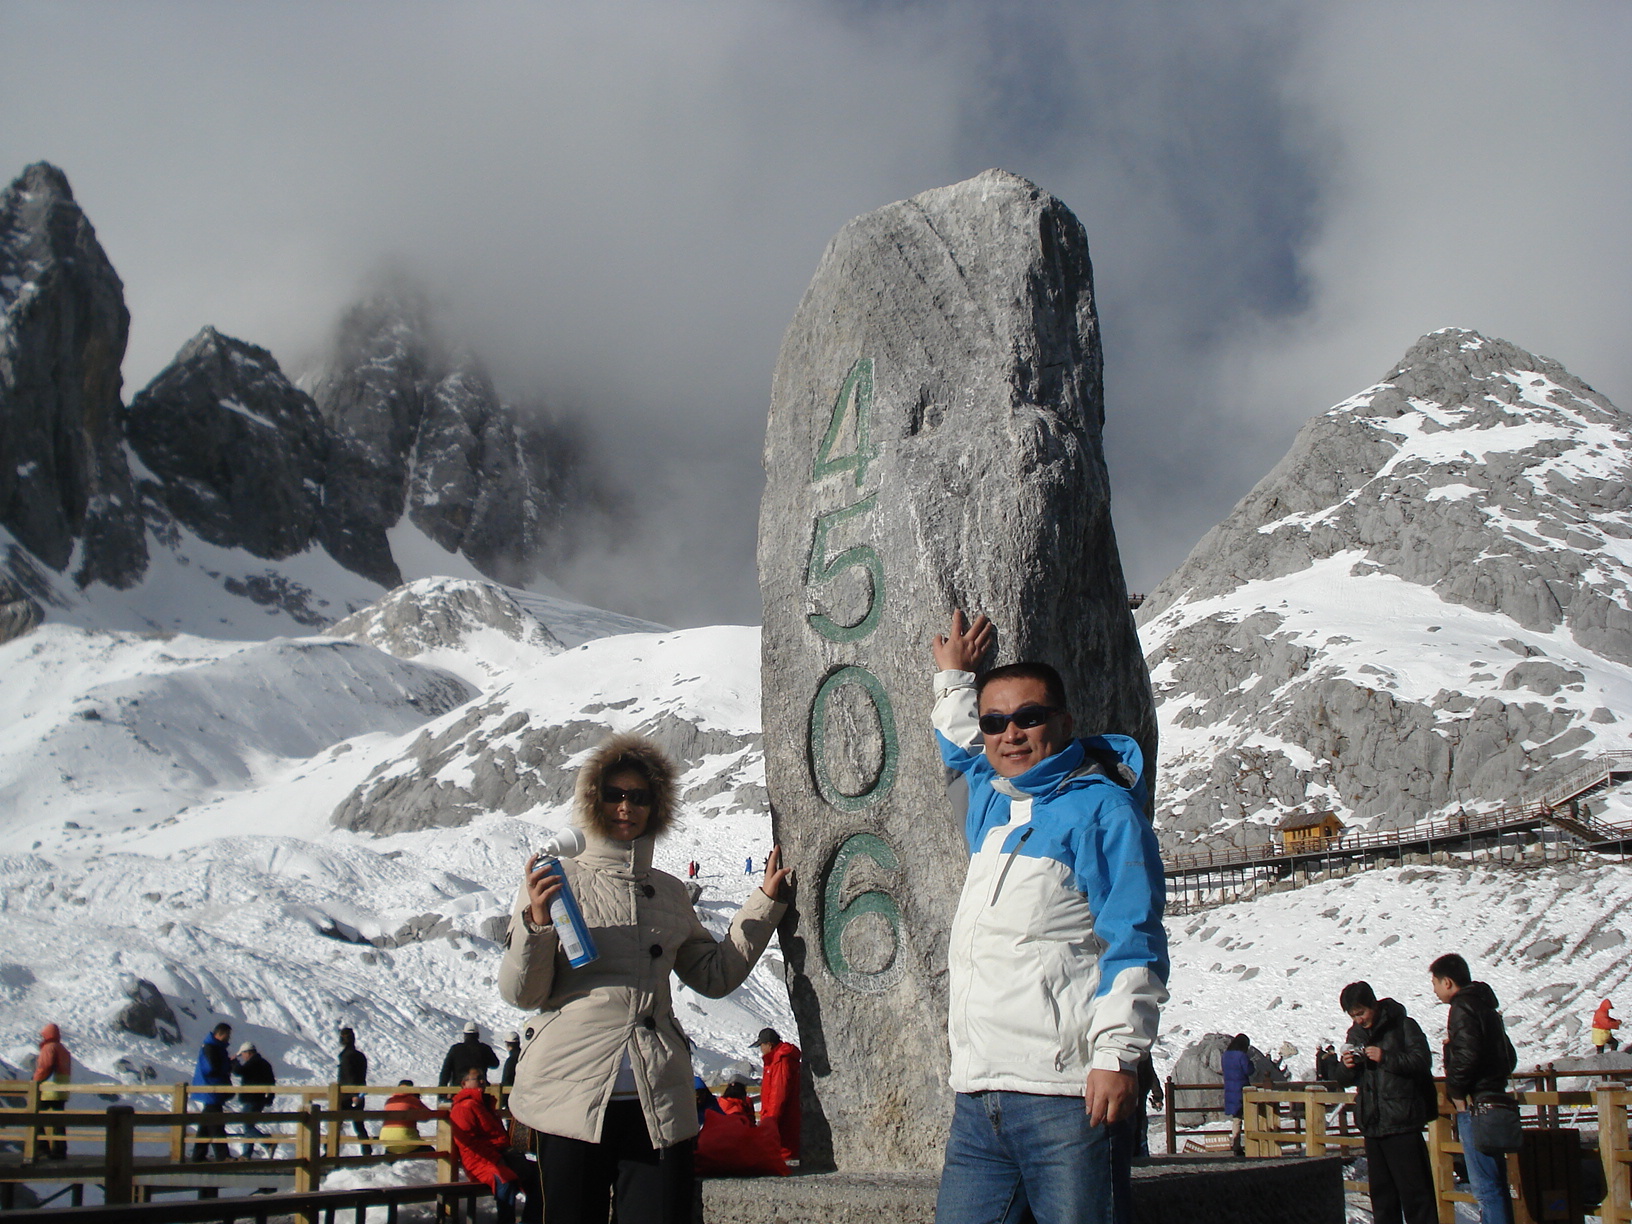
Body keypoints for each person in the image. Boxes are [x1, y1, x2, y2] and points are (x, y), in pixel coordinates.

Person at [929, 611, 1169, 1224]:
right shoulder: (993, 796)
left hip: (1067, 1098)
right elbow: (960, 747)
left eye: (1028, 717)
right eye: (995, 722)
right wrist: (955, 678)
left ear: (1062, 722)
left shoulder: (1105, 813)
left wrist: (1118, 1059)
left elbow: (1134, 941)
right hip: (978, 1099)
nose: (1011, 734)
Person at [499, 733, 790, 1224]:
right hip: (567, 1098)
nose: (626, 807)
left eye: (640, 796)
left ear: (656, 806)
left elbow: (714, 975)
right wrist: (537, 923)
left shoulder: (670, 893)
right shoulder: (555, 882)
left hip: (657, 1100)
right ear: (594, 802)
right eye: (614, 795)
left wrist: (763, 902)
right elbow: (521, 993)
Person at [1332, 982, 1437, 1224]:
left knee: (1417, 1196)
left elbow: (1421, 1062)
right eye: (1353, 1015)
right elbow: (1342, 1079)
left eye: (1361, 1013)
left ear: (1374, 1005)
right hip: (1373, 1124)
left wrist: (1385, 1057)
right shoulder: (1355, 1036)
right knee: (1383, 1199)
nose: (1358, 1020)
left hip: (1403, 1123)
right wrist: (1346, 1067)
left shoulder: (1403, 1026)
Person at [1432, 953, 1517, 1224]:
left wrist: (1456, 1091)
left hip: (1475, 1103)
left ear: (1447, 982)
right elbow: (1509, 1056)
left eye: (1434, 983)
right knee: (1497, 1182)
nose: (1433, 989)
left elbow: (1468, 1056)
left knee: (1486, 1186)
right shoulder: (1485, 1006)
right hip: (1496, 1098)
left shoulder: (1462, 1008)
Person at [451, 1067, 540, 1224]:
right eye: (477, 1078)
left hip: (503, 1156)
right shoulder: (464, 1107)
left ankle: (530, 1220)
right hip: (481, 1161)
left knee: (540, 1175)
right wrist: (496, 1159)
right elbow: (468, 1144)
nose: (481, 1081)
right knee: (505, 1180)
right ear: (464, 1083)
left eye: (482, 1078)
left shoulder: (485, 1105)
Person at [755, 1027, 801, 1162]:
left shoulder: (780, 1060)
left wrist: (771, 1121)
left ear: (769, 1045)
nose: (761, 1049)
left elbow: (778, 1094)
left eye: (762, 1045)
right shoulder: (776, 1059)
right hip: (780, 1121)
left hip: (780, 1123)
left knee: (783, 1157)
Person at [192, 1022, 234, 1161]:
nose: (228, 1038)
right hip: (212, 1088)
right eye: (227, 1035)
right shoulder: (211, 1048)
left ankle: (198, 1155)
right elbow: (212, 1068)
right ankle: (223, 1156)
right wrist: (228, 1065)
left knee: (205, 1123)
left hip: (210, 1089)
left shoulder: (212, 1047)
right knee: (216, 1122)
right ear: (220, 1034)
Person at [32, 1023, 71, 1159]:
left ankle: (42, 1149)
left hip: (49, 1088)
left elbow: (45, 1066)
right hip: (61, 1089)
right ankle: (60, 1151)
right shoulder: (62, 1049)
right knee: (58, 1121)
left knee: (35, 1117)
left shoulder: (49, 1048)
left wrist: (35, 1081)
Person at [233, 1042, 276, 1158]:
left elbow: (239, 1072)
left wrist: (234, 1062)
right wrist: (270, 1097)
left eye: (242, 1054)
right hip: (260, 1099)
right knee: (249, 1125)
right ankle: (246, 1154)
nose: (242, 1057)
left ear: (248, 1053)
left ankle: (267, 1144)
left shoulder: (252, 1063)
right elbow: (272, 1082)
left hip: (250, 1099)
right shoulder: (265, 1064)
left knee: (247, 1126)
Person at [337, 1027, 372, 1154]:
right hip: (358, 1093)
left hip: (346, 1095)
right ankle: (367, 1150)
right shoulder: (360, 1056)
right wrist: (359, 1094)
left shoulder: (346, 1057)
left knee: (336, 1124)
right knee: (358, 1124)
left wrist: (353, 1094)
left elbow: (349, 1076)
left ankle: (329, 1151)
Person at [381, 1080, 435, 1154]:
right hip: (405, 1140)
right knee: (430, 1151)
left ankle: (389, 1162)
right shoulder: (412, 1100)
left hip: (386, 1141)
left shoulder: (389, 1101)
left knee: (393, 1146)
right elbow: (427, 1116)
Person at [440, 1021, 500, 1088]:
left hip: (458, 1090)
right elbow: (495, 1064)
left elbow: (446, 1071)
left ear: (464, 1035)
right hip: (479, 1089)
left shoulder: (455, 1049)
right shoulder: (484, 1048)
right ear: (478, 1035)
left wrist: (442, 1090)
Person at [1222, 1034, 1253, 1157]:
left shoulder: (1225, 1056)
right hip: (1242, 1089)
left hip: (1230, 1089)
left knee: (1236, 1118)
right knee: (1250, 1116)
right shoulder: (1241, 1056)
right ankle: (1252, 1142)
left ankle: (1236, 1144)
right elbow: (1249, 1070)